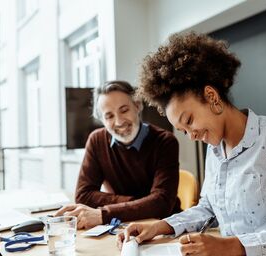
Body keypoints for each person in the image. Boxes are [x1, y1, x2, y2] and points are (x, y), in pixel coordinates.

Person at [117, 32, 266, 255]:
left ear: (211, 96)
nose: (191, 136)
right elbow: (208, 208)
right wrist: (159, 226)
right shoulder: (215, 149)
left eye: (189, 121)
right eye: (183, 131)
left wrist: (235, 245)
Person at [55, 80, 181, 229]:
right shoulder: (96, 140)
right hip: (119, 225)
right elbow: (84, 196)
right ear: (102, 120)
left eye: (124, 110)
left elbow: (162, 203)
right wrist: (143, 202)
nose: (119, 121)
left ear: (138, 106)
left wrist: (104, 214)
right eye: (109, 116)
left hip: (161, 225)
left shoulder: (165, 141)